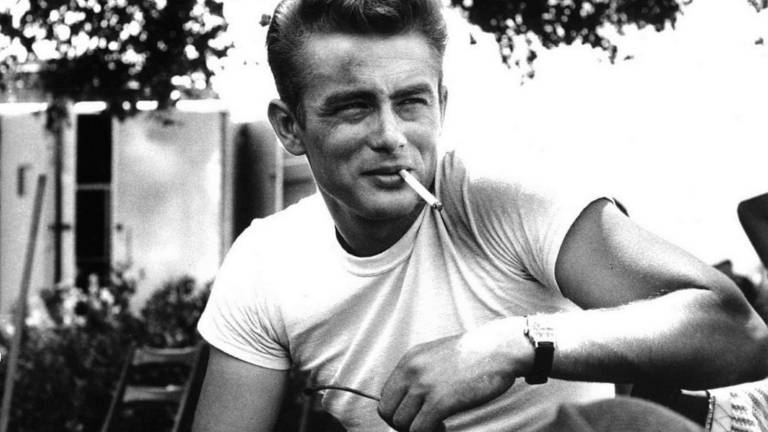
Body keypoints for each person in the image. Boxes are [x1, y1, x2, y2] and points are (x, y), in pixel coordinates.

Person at [191, 1, 768, 431]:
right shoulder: (267, 264)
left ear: (441, 104)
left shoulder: (502, 197)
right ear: (290, 127)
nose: (391, 136)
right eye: (353, 107)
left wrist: (513, 343)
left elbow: (737, 333)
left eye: (411, 102)